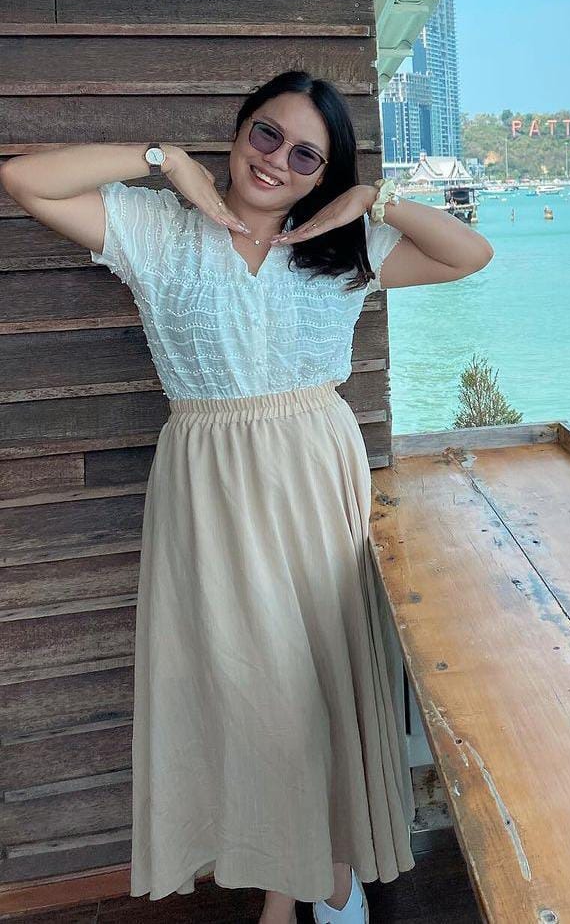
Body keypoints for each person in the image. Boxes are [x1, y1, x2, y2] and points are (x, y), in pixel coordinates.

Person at [0, 70, 493, 924]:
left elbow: (469, 254)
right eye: (267, 134)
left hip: (314, 478)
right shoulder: (158, 229)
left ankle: (318, 876)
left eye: (308, 155)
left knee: (319, 682)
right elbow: (23, 179)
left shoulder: (344, 249)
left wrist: (372, 199)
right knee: (250, 689)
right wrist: (163, 161)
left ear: (323, 174)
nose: (277, 160)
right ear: (239, 130)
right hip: (212, 487)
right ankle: (297, 879)